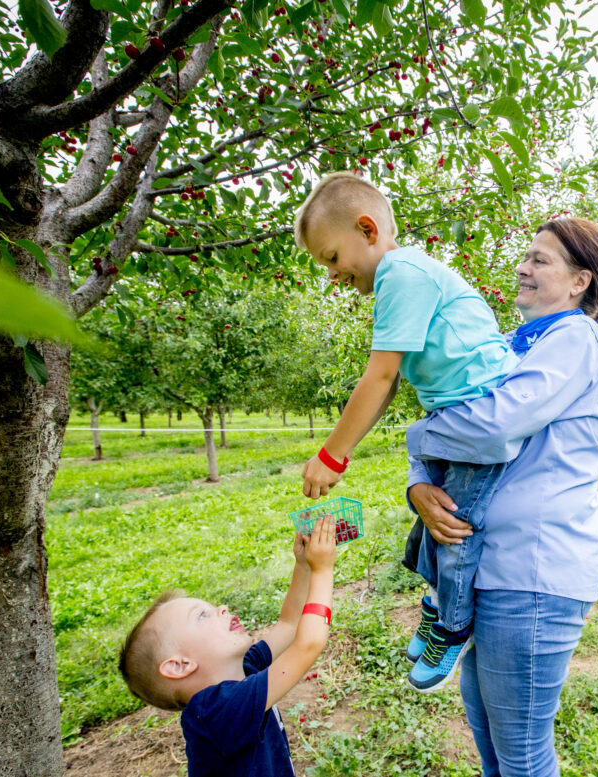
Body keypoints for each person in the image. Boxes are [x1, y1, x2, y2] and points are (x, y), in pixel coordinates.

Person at [405, 217, 598, 777]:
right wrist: (418, 481)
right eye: (525, 257)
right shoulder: (511, 345)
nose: (522, 268)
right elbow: (450, 416)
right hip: (491, 567)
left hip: (533, 572)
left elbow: (490, 427)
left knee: (522, 752)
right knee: (488, 730)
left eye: (540, 260)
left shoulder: (575, 338)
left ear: (580, 281)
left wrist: (414, 438)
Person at [292, 172, 519, 692]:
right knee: (425, 526)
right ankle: (437, 603)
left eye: (331, 258)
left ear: (367, 229)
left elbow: (381, 375)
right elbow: (388, 382)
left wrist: (331, 457)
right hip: (453, 417)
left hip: (481, 418)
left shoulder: (400, 272)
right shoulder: (400, 277)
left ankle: (454, 627)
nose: (332, 275)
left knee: (454, 529)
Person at [117, 516, 337, 777]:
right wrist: (323, 570)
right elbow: (308, 644)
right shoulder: (216, 713)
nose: (221, 609)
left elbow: (289, 624)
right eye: (202, 615)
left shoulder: (245, 669)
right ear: (180, 665)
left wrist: (303, 566)